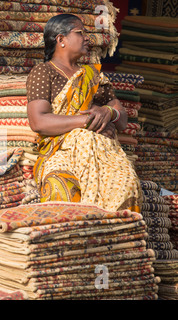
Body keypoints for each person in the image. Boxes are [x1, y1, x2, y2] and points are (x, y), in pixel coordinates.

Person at [26, 13, 142, 213]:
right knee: (61, 190)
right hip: (61, 152)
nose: (87, 38)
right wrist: (86, 121)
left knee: (127, 187)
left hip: (104, 152)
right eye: (80, 33)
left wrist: (108, 113)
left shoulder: (93, 75)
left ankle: (118, 240)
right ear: (60, 39)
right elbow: (39, 121)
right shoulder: (44, 72)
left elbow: (122, 119)